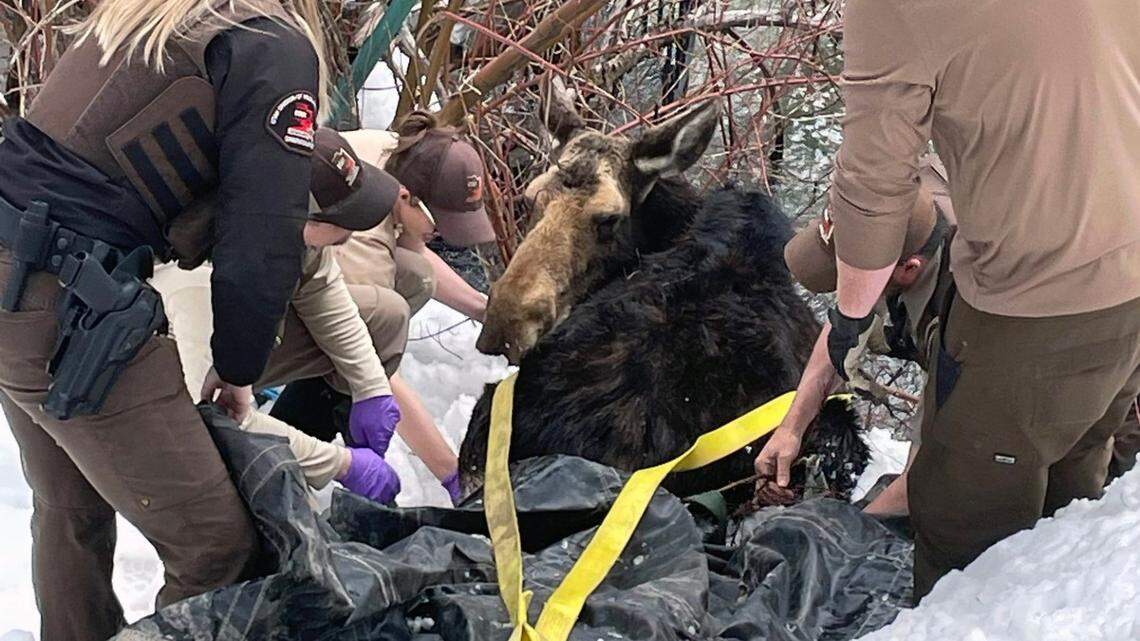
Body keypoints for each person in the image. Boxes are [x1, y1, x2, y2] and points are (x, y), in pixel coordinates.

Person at [0, 1, 327, 639]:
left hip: (16, 276)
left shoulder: (151, 14)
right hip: (66, 300)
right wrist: (239, 368)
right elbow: (262, 239)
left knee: (70, 508)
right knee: (218, 551)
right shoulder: (269, 43)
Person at [822, 0, 1140, 600]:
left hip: (1032, 304)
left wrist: (850, 314)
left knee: (965, 542)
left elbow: (873, 185)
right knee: (1073, 486)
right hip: (1131, 284)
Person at [155, 128, 417, 504]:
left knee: (385, 315)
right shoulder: (197, 278)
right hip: (174, 386)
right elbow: (218, 414)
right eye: (345, 219)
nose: (356, 228)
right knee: (222, 484)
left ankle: (292, 441)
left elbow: (324, 291)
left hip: (243, 345)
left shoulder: (284, 223)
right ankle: (278, 465)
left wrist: (371, 387)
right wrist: (341, 465)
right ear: (301, 217)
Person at [269, 122, 494, 504]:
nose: (442, 237)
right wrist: (455, 476)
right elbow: (362, 351)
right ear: (406, 198)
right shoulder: (359, 234)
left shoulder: (398, 153)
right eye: (440, 226)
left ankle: (322, 395)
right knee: (380, 321)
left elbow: (418, 254)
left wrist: (483, 308)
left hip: (309, 271)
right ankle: (292, 431)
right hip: (258, 303)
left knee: (417, 277)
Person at [755, 156, 953, 516]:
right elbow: (845, 324)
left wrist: (843, 532)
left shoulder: (961, 321)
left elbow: (927, 479)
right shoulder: (899, 190)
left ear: (908, 270)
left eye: (853, 276)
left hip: (1033, 349)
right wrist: (792, 427)